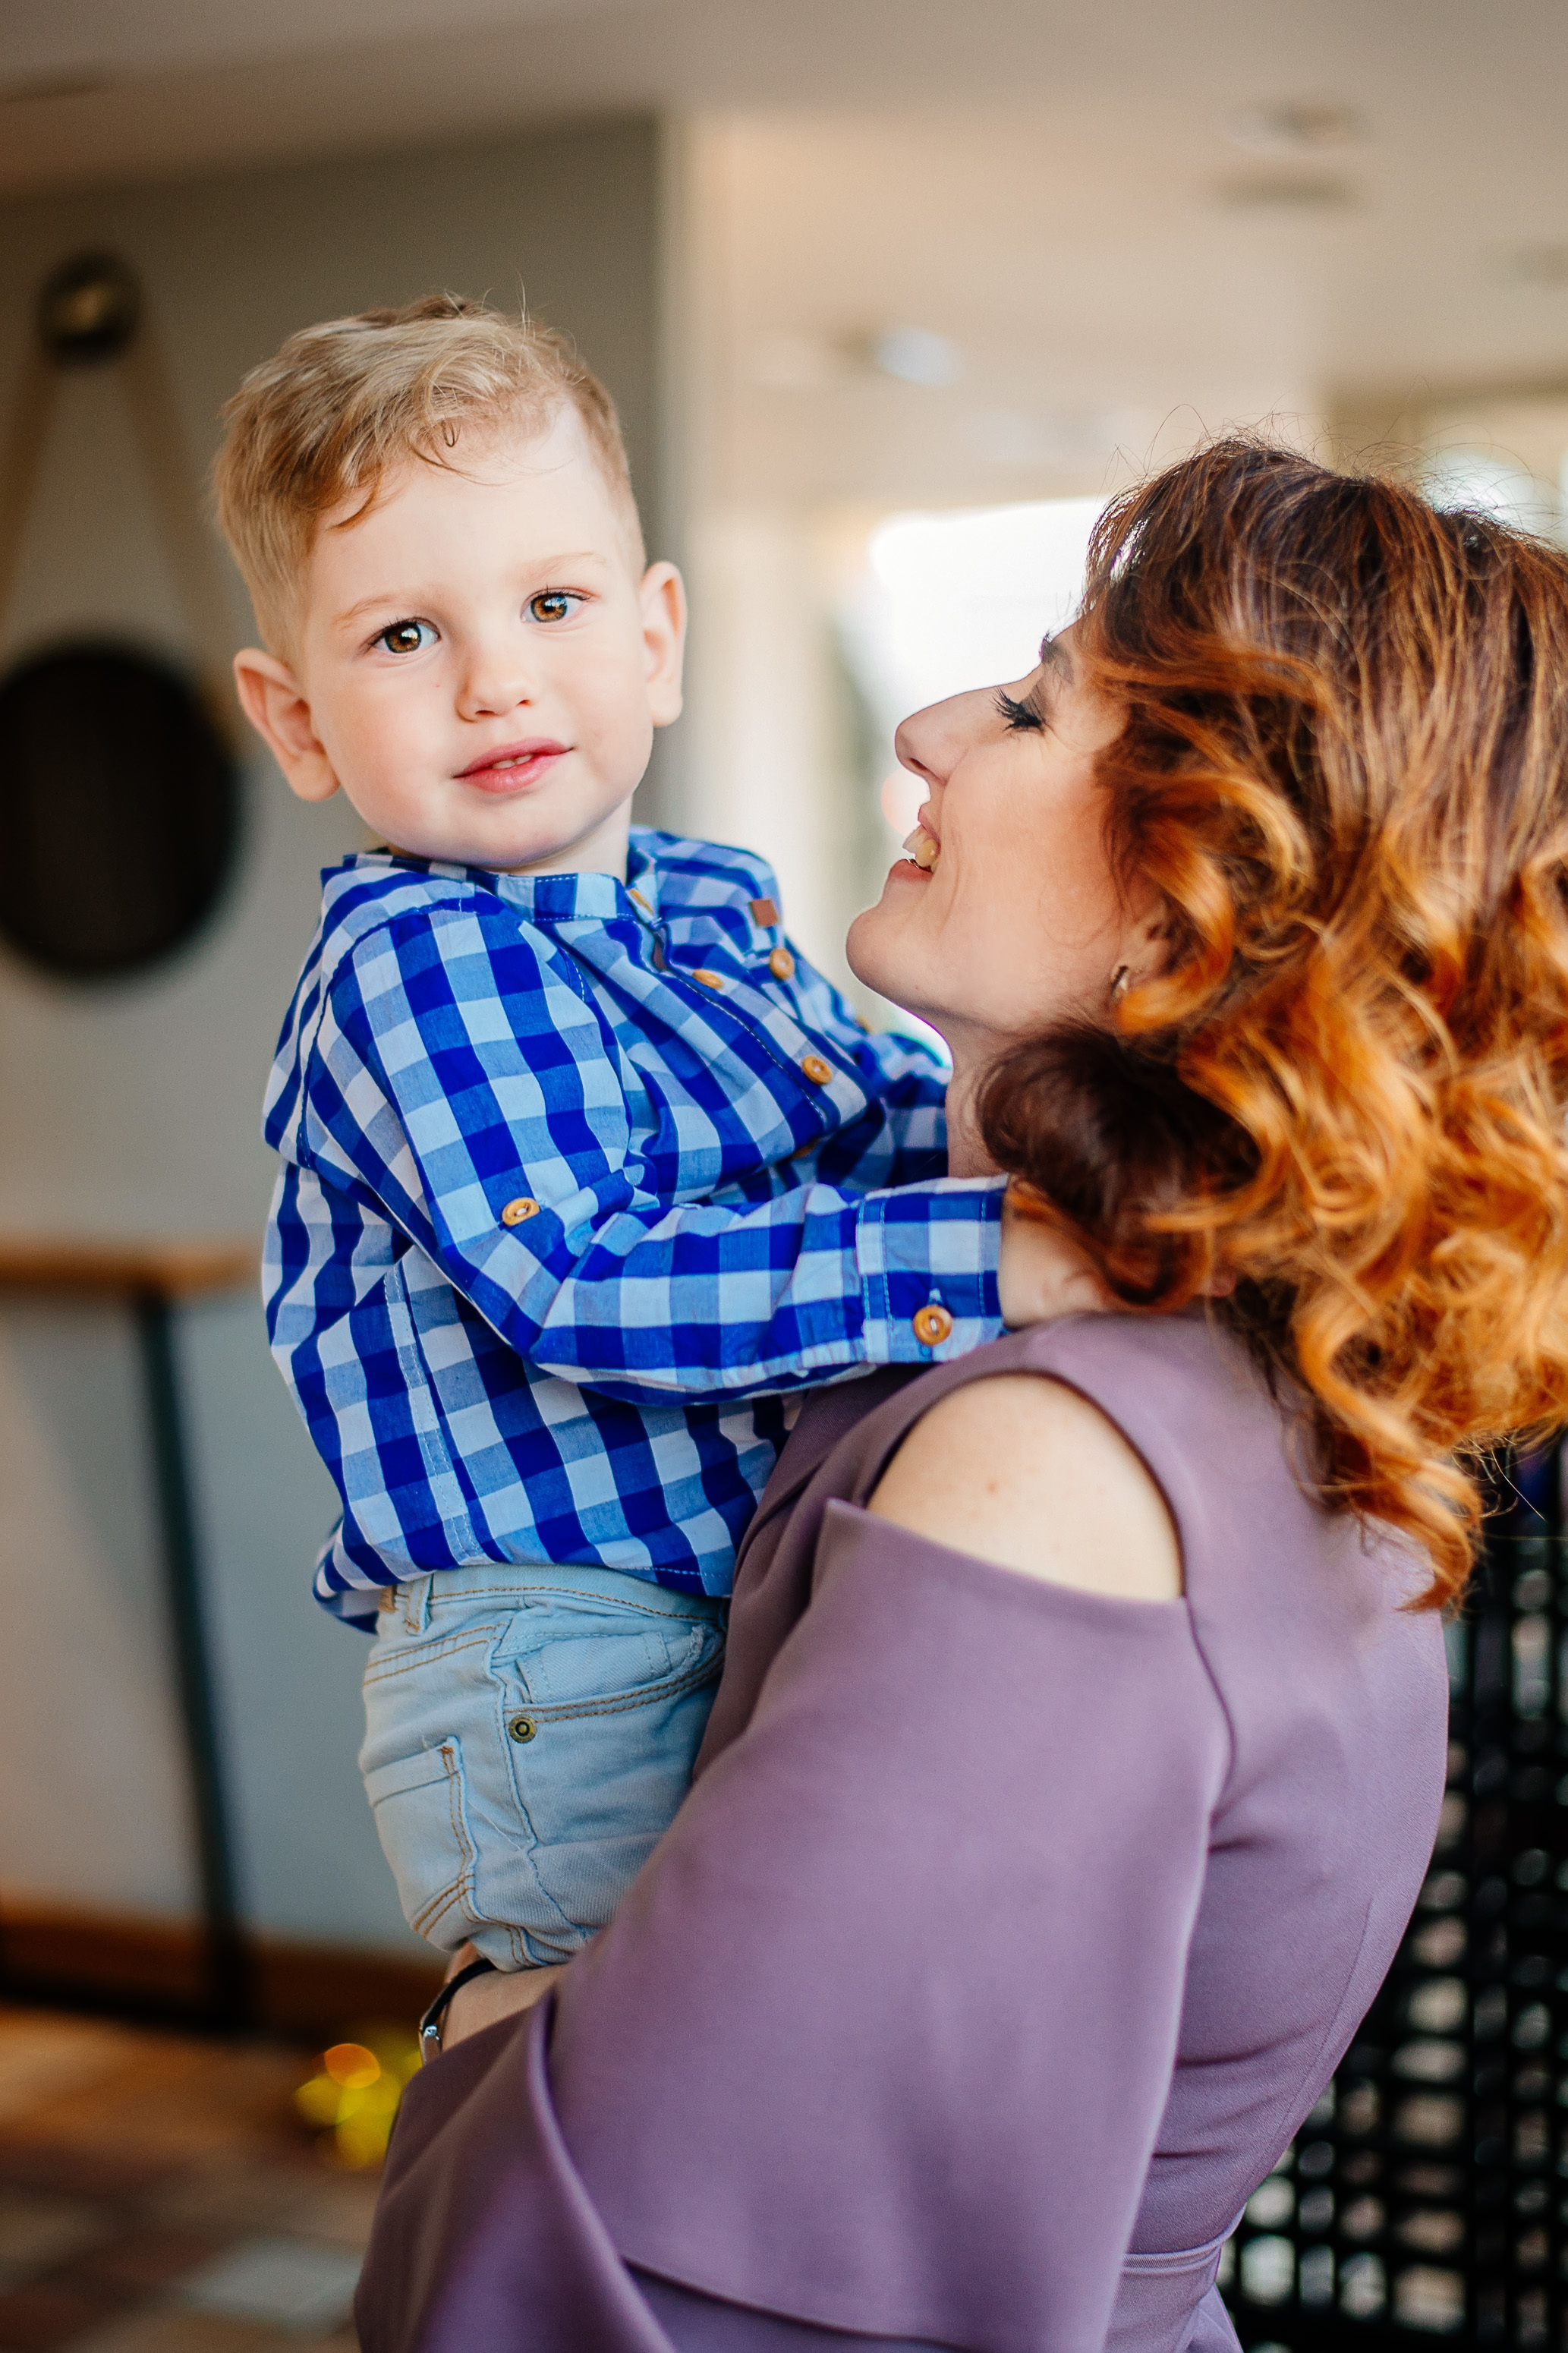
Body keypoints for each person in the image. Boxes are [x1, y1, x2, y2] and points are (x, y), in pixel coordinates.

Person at [354, 439, 1568, 2351]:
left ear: (1190, 903)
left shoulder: (1050, 1468)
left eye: (1027, 704)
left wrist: (474, 2026)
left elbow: (667, 2286)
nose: (924, 728)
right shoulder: (1225, 1360)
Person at [213, 295, 1036, 1983]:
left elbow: (868, 1122)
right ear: (295, 720)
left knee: (762, 2033)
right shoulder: (416, 960)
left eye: (552, 603)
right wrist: (996, 1252)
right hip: (560, 1653)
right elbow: (581, 1277)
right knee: (604, 2084)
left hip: (706, 1598)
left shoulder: (709, 911)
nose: (497, 675)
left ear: (654, 636)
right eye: (400, 638)